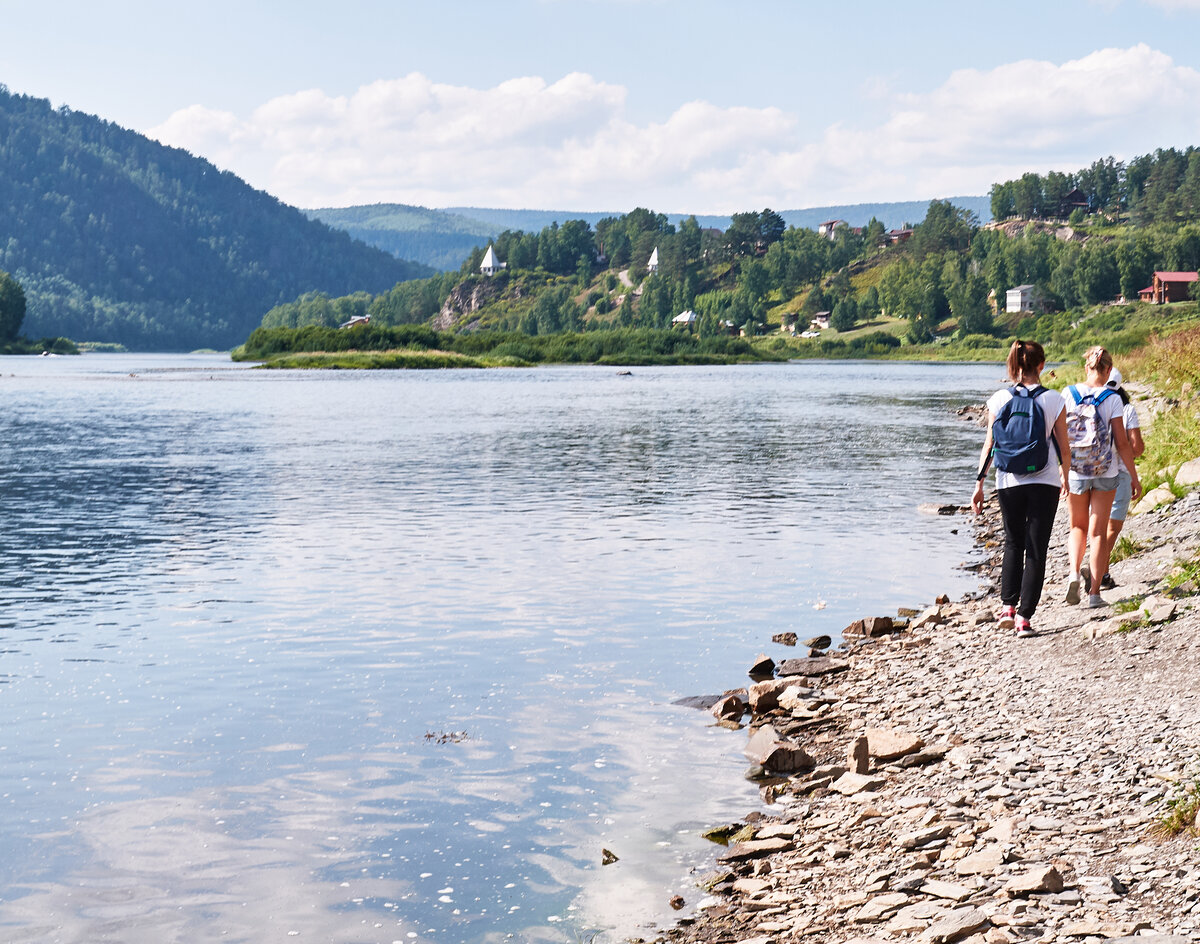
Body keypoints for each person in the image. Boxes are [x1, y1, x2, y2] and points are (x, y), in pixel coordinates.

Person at [972, 340, 1070, 637]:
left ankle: (1007, 607)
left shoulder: (999, 399)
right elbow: (1063, 447)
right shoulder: (1054, 400)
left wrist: (979, 484)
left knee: (1013, 542)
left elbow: (990, 445)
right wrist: (1067, 476)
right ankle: (1024, 619)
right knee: (1036, 549)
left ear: (1014, 366)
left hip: (1007, 481)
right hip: (1045, 480)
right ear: (1042, 365)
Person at [1063, 347, 1142, 608]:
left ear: (1086, 367)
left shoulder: (1069, 393)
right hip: (1106, 471)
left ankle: (1074, 573)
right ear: (1109, 370)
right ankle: (1094, 595)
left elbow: (1061, 438)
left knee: (1077, 527)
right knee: (1097, 533)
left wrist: (1061, 473)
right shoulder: (1114, 399)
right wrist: (1133, 476)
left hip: (1076, 471)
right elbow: (1121, 443)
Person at [1098, 367, 1145, 589]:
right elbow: (1136, 448)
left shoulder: (1089, 403)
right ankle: (1099, 572)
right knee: (1112, 529)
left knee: (1094, 526)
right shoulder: (1126, 410)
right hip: (1120, 475)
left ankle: (1094, 573)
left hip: (1091, 473)